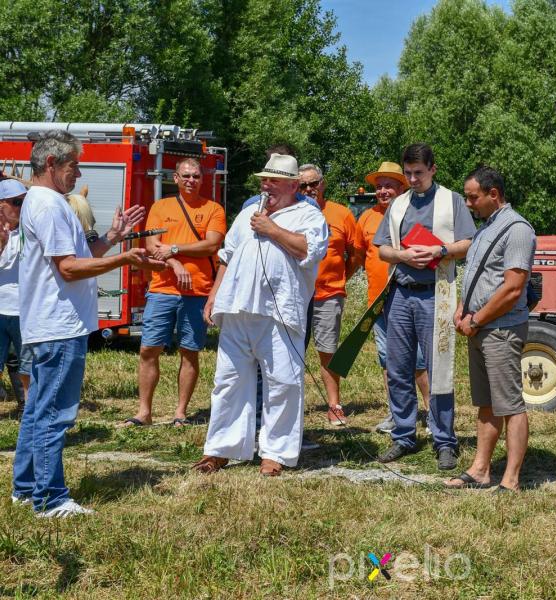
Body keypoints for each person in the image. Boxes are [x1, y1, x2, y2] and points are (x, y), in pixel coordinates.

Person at [12, 130, 163, 517]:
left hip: (50, 324)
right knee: (53, 414)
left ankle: (26, 488)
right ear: (51, 163)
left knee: (37, 409)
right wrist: (126, 260)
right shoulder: (48, 205)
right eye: (73, 164)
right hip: (58, 327)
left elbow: (79, 254)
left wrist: (113, 238)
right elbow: (69, 268)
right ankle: (50, 499)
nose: (78, 172)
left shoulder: (47, 202)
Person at [192, 154, 328, 476]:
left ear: (294, 185)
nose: (266, 186)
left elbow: (308, 250)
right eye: (263, 180)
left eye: (273, 181)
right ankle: (220, 449)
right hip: (238, 310)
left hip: (280, 313)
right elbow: (226, 256)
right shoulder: (247, 214)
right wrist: (213, 296)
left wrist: (272, 228)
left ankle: (274, 455)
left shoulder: (309, 215)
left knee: (282, 383)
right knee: (228, 381)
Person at [373, 143, 476, 470]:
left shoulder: (452, 201)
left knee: (439, 370)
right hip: (401, 294)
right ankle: (403, 436)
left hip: (437, 294)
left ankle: (444, 440)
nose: (413, 179)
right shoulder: (399, 204)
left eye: (419, 172)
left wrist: (440, 251)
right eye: (408, 173)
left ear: (433, 169)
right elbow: (382, 250)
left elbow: (468, 243)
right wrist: (403, 255)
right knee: (399, 368)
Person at [444, 166, 536, 492]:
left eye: (473, 197)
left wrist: (477, 319)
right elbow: (477, 276)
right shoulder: (486, 228)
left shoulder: (518, 230)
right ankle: (481, 469)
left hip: (500, 330)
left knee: (510, 405)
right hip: (479, 327)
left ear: (493, 194)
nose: (469, 203)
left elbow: (512, 288)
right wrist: (461, 311)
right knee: (486, 403)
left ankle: (510, 479)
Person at [123, 158, 226, 427]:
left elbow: (212, 245)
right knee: (148, 349)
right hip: (162, 289)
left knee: (189, 351)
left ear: (202, 179)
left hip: (198, 290)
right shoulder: (161, 207)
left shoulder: (213, 209)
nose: (191, 180)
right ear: (176, 179)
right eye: (186, 176)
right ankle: (144, 413)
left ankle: (180, 413)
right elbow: (152, 243)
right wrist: (174, 261)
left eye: (196, 176)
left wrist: (175, 249)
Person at [356, 162, 430, 434]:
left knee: (420, 360)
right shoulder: (366, 218)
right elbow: (357, 255)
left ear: (402, 187)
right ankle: (396, 414)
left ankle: (432, 413)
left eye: (389, 186)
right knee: (388, 360)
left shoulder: (416, 213)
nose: (383, 191)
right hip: (378, 302)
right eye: (378, 187)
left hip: (411, 298)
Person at [298, 164, 363, 426]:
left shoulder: (341, 214)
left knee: (327, 350)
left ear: (323, 184)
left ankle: (334, 404)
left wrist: (341, 277)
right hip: (297, 294)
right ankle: (291, 403)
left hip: (329, 292)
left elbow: (356, 254)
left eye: (313, 184)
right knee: (292, 350)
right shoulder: (293, 212)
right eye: (303, 185)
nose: (309, 189)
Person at [0, 179, 33, 405]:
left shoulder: (31, 230)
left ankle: (28, 408)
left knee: (27, 364)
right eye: (16, 202)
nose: (21, 207)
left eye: (24, 202)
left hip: (25, 309)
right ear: (1, 205)